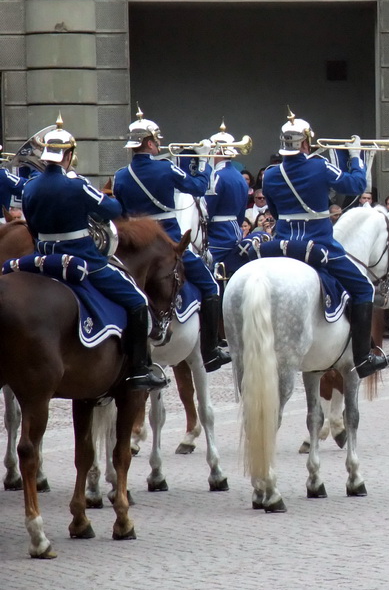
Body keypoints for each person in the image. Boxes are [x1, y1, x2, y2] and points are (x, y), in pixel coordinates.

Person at [22, 117, 166, 389]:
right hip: (83, 257)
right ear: (68, 155)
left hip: (40, 258)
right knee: (137, 300)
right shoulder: (75, 185)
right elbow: (112, 211)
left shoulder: (30, 186)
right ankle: (138, 369)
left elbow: (31, 226)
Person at [261, 111, 389, 377]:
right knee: (364, 288)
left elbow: (274, 212)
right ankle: (363, 358)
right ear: (306, 144)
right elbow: (356, 185)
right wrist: (355, 156)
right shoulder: (319, 166)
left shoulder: (270, 175)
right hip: (320, 244)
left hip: (282, 244)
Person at [113, 107, 230, 373]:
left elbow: (120, 213)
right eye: (158, 141)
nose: (160, 145)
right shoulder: (165, 169)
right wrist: (203, 162)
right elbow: (198, 187)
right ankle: (210, 350)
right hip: (167, 244)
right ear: (151, 143)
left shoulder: (121, 176)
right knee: (211, 285)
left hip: (135, 249)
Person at [204, 123, 250, 280]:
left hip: (218, 234)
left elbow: (207, 210)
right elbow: (241, 212)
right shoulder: (239, 176)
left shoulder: (217, 176)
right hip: (235, 231)